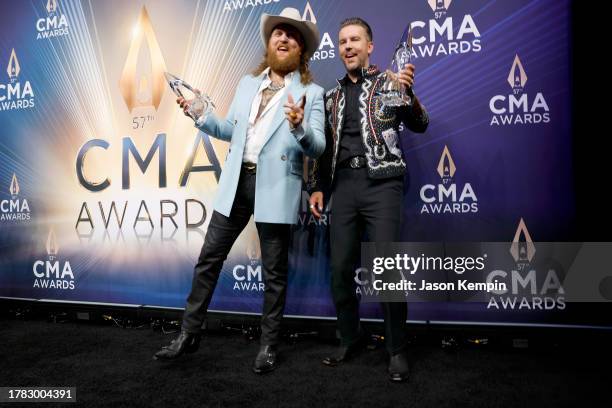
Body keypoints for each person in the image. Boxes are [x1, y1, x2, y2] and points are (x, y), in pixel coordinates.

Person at [154, 7, 325, 375]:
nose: (283, 38)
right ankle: (189, 333)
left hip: (275, 187)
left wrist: (298, 127)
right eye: (278, 32)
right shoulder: (248, 84)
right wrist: (198, 114)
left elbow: (318, 148)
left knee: (274, 273)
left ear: (301, 49)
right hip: (237, 184)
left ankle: (268, 345)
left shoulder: (312, 93)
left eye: (292, 35)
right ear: (270, 42)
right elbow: (231, 129)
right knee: (208, 260)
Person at [309, 17, 429, 382]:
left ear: (369, 46)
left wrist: (407, 93)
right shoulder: (330, 97)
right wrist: (318, 187)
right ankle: (351, 337)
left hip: (383, 184)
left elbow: (421, 123)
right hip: (343, 185)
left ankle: (396, 348)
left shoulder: (389, 82)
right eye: (343, 41)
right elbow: (324, 150)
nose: (347, 46)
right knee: (340, 268)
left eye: (355, 40)